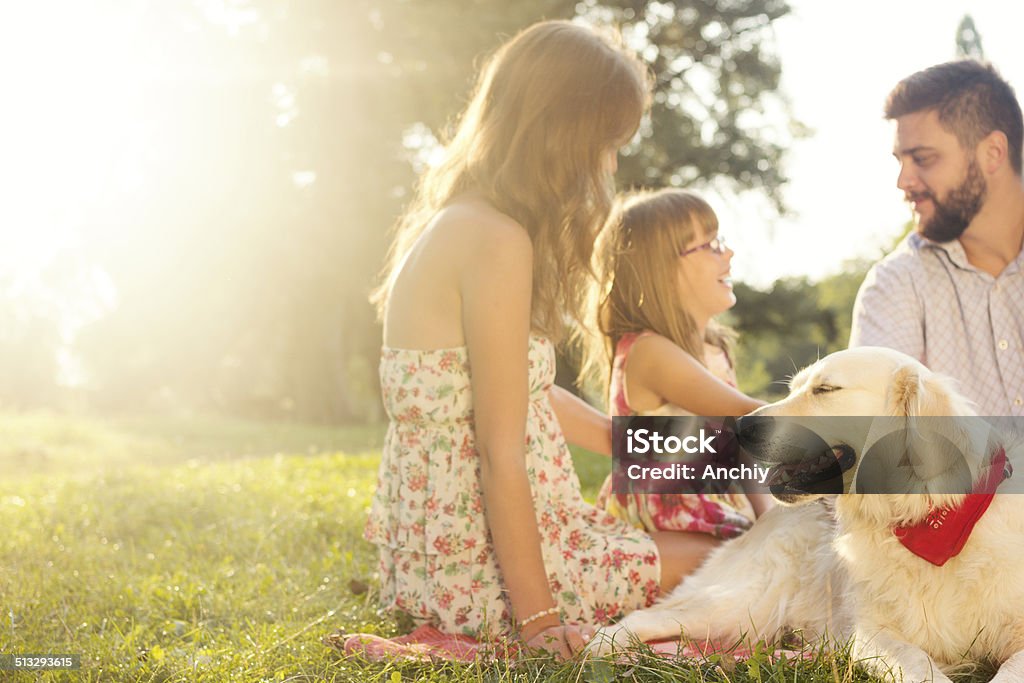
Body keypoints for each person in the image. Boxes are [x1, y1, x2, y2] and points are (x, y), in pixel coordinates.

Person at [363, 20, 690, 660]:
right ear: (564, 136)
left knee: (726, 542)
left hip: (447, 552)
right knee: (733, 558)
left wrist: (666, 451)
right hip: (484, 570)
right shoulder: (494, 238)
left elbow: (521, 393)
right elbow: (497, 448)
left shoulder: (464, 222)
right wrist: (540, 622)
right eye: (608, 142)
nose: (612, 163)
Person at [583, 188, 772, 549]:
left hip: (717, 521)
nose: (728, 253)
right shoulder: (651, 352)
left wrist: (769, 517)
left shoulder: (714, 350)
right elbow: (751, 415)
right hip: (665, 533)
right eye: (711, 245)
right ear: (661, 269)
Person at [850, 59, 1024, 418]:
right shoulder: (896, 285)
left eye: (923, 159)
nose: (903, 181)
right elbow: (884, 446)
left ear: (993, 152)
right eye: (900, 160)